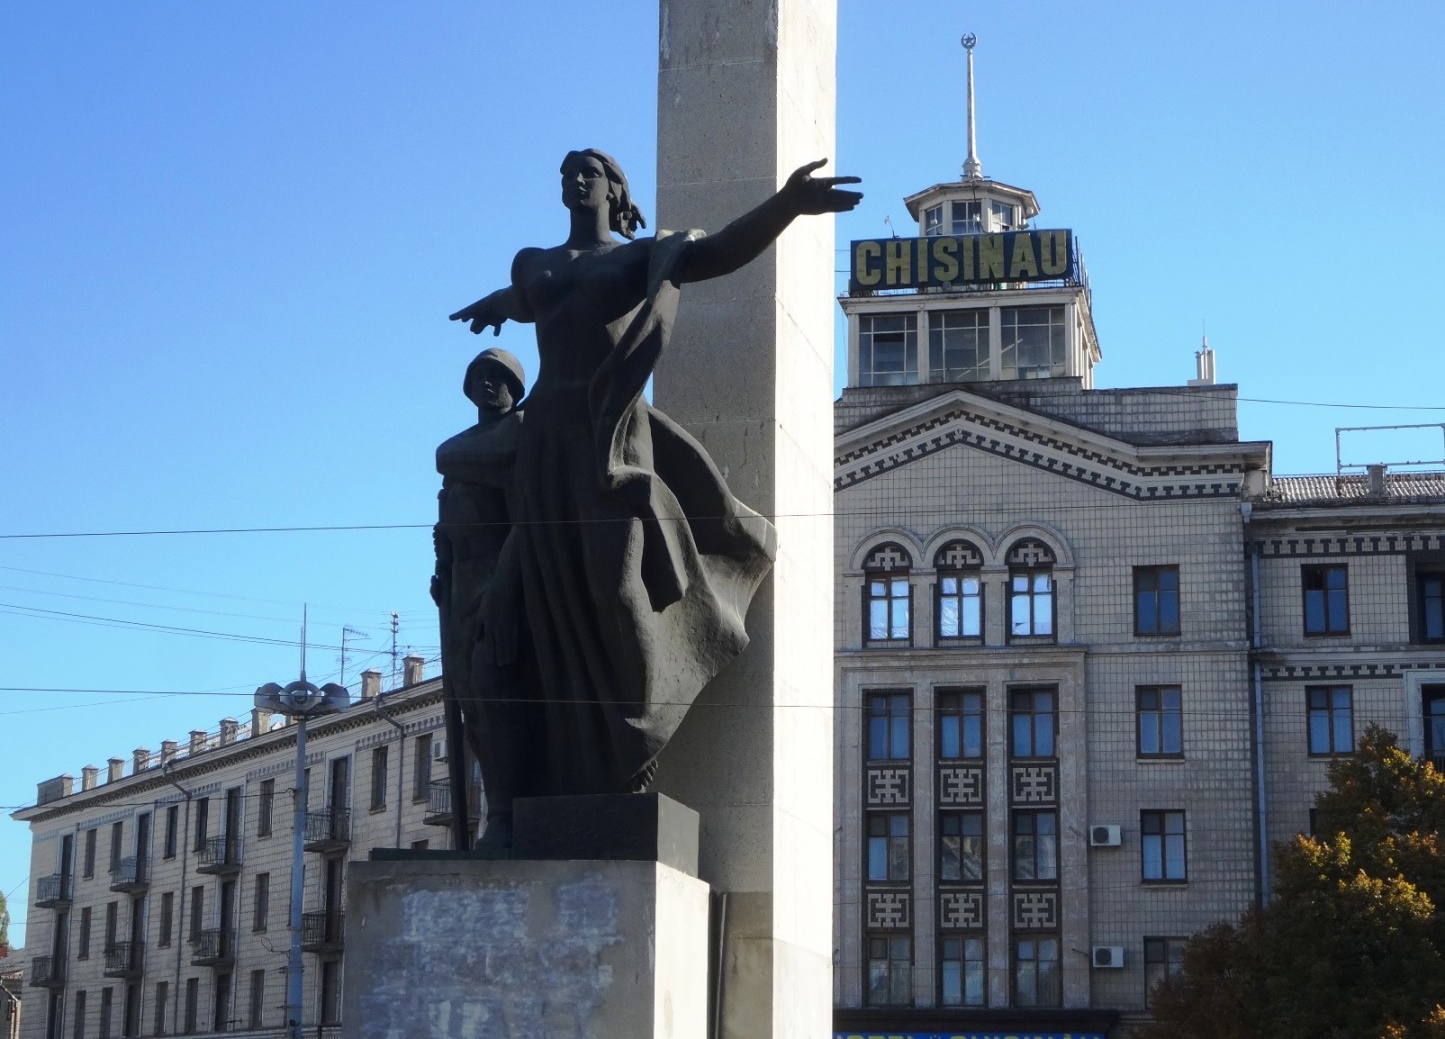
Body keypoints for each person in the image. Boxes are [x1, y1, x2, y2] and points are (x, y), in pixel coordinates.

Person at [449, 149, 861, 840]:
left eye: (589, 172)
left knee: (617, 592)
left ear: (616, 188)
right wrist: (495, 308)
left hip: (612, 437)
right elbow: (524, 302)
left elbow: (722, 252)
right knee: (545, 599)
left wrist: (786, 205)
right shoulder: (534, 262)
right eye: (565, 173)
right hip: (547, 440)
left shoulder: (640, 257)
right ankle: (550, 773)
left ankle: (635, 746)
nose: (574, 181)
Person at [430, 348, 531, 846]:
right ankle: (499, 813)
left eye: (500, 377)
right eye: (480, 377)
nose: (489, 385)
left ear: (517, 388)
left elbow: (526, 519)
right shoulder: (462, 450)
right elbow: (447, 516)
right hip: (458, 581)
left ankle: (511, 815)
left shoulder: (520, 435)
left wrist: (503, 593)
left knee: (496, 692)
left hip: (500, 573)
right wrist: (441, 568)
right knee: (472, 707)